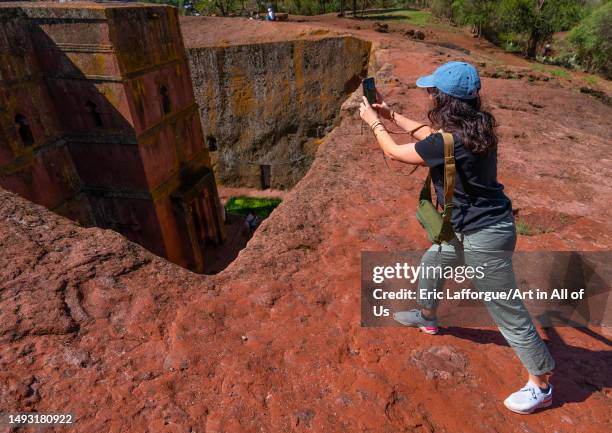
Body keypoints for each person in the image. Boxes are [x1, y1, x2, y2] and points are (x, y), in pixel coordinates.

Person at [359, 61, 555, 415]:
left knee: (504, 308)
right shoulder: (479, 127)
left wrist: (373, 123)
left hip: (485, 236)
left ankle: (541, 385)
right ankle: (427, 316)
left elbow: (396, 152)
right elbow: (434, 141)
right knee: (433, 263)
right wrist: (391, 115)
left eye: (433, 91)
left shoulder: (451, 138)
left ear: (445, 100)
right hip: (474, 227)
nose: (429, 95)